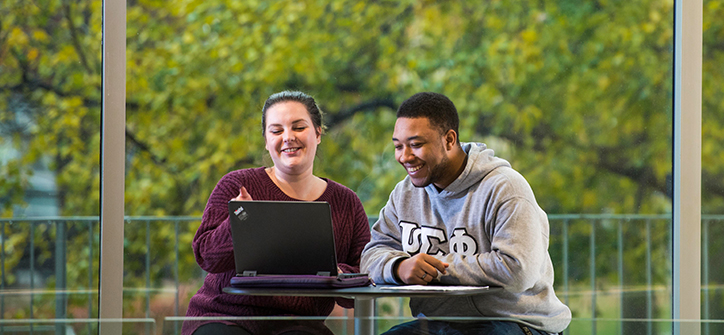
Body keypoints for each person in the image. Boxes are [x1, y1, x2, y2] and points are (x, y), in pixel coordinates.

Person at [360, 92, 571, 335]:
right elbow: (371, 255)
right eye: (398, 146)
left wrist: (436, 267)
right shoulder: (404, 193)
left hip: (517, 322)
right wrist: (399, 266)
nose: (404, 157)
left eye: (416, 145)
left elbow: (518, 271)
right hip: (438, 323)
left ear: (449, 140)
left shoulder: (505, 187)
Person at [182, 91, 371, 335]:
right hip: (225, 316)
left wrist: (339, 273)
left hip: (300, 326)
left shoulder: (347, 202)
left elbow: (361, 281)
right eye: (276, 130)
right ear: (266, 140)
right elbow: (206, 257)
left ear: (318, 133)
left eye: (298, 127)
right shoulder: (236, 184)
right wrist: (239, 219)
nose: (288, 137)